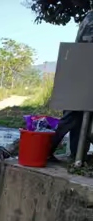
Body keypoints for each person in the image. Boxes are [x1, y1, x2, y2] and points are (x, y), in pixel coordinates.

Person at [50, 10, 93, 161]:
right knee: (72, 117)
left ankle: (77, 154)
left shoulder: (89, 15)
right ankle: (46, 150)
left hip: (79, 66)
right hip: (85, 68)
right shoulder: (91, 17)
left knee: (79, 118)